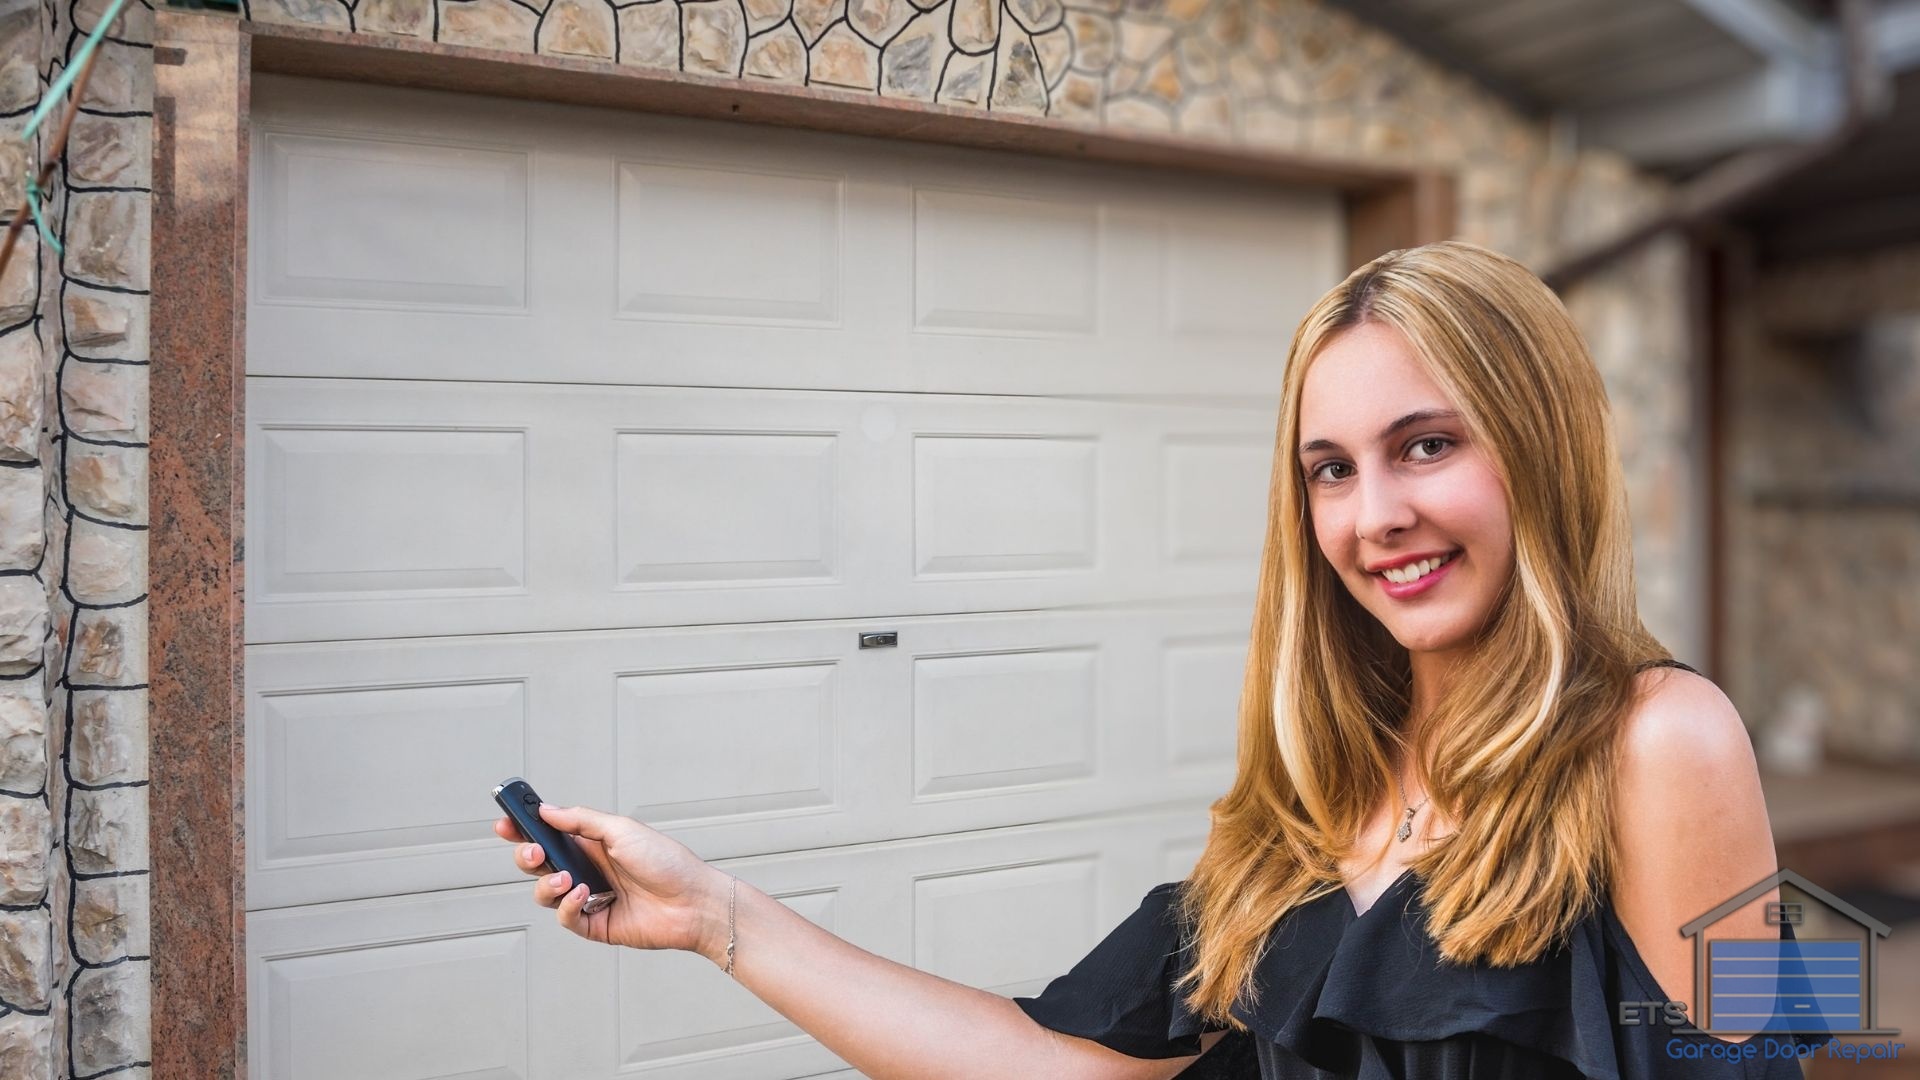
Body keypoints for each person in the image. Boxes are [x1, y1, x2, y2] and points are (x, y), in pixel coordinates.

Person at [495, 240, 1835, 1078]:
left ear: (1542, 447)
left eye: (1429, 444)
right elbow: (1061, 1062)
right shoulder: (1307, 810)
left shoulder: (1667, 736)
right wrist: (722, 920)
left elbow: (1779, 1054)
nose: (1376, 516)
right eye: (1332, 469)